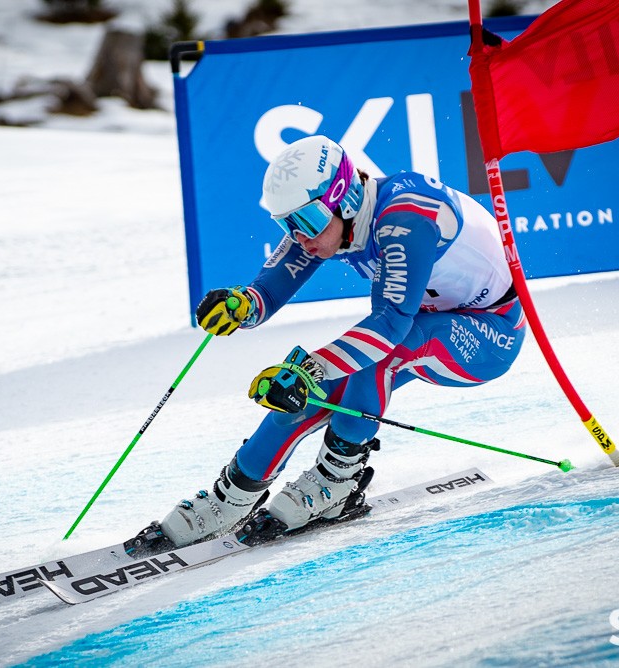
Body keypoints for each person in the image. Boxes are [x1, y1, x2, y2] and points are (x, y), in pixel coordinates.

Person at [131, 134, 526, 551]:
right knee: (310, 388)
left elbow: (390, 325)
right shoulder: (332, 223)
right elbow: (270, 289)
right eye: (288, 225)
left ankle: (338, 479)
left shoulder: (405, 219)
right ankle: (233, 495)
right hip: (426, 324)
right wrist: (243, 305)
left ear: (345, 199)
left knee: (370, 356)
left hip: (491, 335)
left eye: (306, 221)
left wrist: (308, 370)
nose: (299, 236)